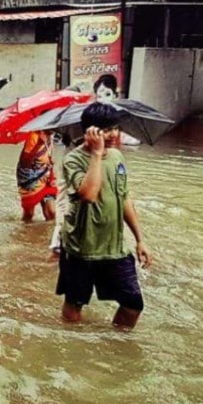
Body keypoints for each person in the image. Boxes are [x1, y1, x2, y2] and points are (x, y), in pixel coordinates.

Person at [55, 102, 152, 330]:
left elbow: (124, 197)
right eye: (106, 130)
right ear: (90, 131)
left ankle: (116, 348)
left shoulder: (117, 157)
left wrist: (140, 239)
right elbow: (88, 194)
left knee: (133, 304)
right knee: (75, 303)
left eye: (115, 128)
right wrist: (97, 154)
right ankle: (71, 345)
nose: (113, 134)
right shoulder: (73, 160)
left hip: (114, 246)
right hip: (81, 248)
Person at [17, 130, 57, 222]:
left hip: (46, 176)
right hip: (31, 179)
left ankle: (47, 235)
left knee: (51, 212)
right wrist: (38, 144)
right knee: (29, 214)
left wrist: (49, 161)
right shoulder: (33, 136)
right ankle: (24, 233)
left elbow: (46, 154)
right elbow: (25, 162)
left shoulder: (51, 135)